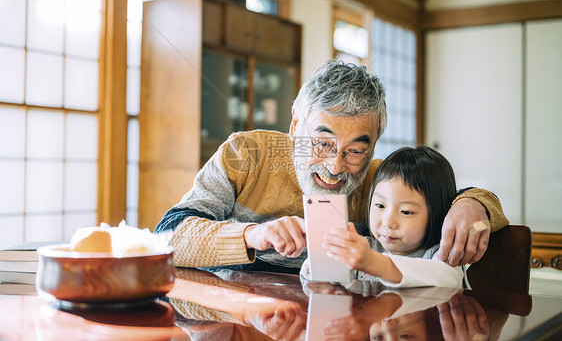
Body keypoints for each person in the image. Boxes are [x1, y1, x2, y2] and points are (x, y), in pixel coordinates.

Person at [155, 60, 509, 274]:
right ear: (296, 125)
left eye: (355, 150)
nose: (335, 167)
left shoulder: (379, 181)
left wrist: (471, 203)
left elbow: (455, 197)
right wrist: (252, 235)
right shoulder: (245, 153)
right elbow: (166, 237)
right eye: (322, 143)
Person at [301, 146, 468, 288]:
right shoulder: (366, 247)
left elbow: (447, 279)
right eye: (380, 206)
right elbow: (317, 278)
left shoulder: (443, 253)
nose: (388, 223)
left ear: (437, 213)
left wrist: (374, 263)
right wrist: (325, 251)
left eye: (406, 212)